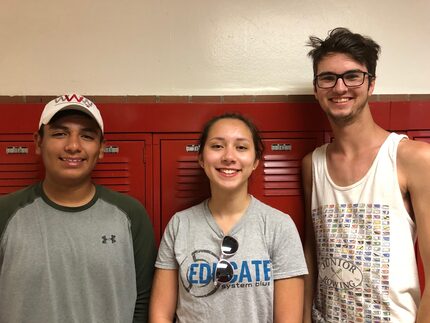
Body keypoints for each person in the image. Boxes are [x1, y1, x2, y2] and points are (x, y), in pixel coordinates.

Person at [302, 27, 430, 322]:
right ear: (316, 88)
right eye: (328, 78)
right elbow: (312, 254)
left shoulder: (412, 158)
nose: (340, 87)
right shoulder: (312, 165)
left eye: (352, 75)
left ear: (371, 84)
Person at [0, 94, 157, 322]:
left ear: (101, 148)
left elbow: (143, 300)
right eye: (60, 133)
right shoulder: (6, 212)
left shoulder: (130, 214)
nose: (73, 146)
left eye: (87, 136)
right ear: (38, 142)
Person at [149, 113, 307, 322]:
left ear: (255, 161)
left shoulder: (279, 226)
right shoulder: (180, 224)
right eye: (217, 146)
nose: (229, 157)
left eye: (241, 147)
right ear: (201, 158)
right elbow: (160, 314)